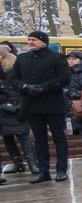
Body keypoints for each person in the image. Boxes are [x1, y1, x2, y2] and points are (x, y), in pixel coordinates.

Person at [10, 31, 71, 183]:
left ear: (44, 41)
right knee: (39, 140)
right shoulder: (22, 58)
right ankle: (43, 171)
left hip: (53, 105)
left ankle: (61, 170)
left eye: (34, 40)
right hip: (32, 105)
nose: (30, 42)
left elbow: (64, 78)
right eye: (29, 40)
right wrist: (25, 86)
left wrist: (43, 88)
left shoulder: (57, 57)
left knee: (59, 138)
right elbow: (14, 79)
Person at [0, 42, 37, 175]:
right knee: (8, 138)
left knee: (24, 137)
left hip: (17, 108)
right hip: (3, 110)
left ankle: (33, 165)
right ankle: (18, 164)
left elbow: (22, 88)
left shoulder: (15, 68)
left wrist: (20, 106)